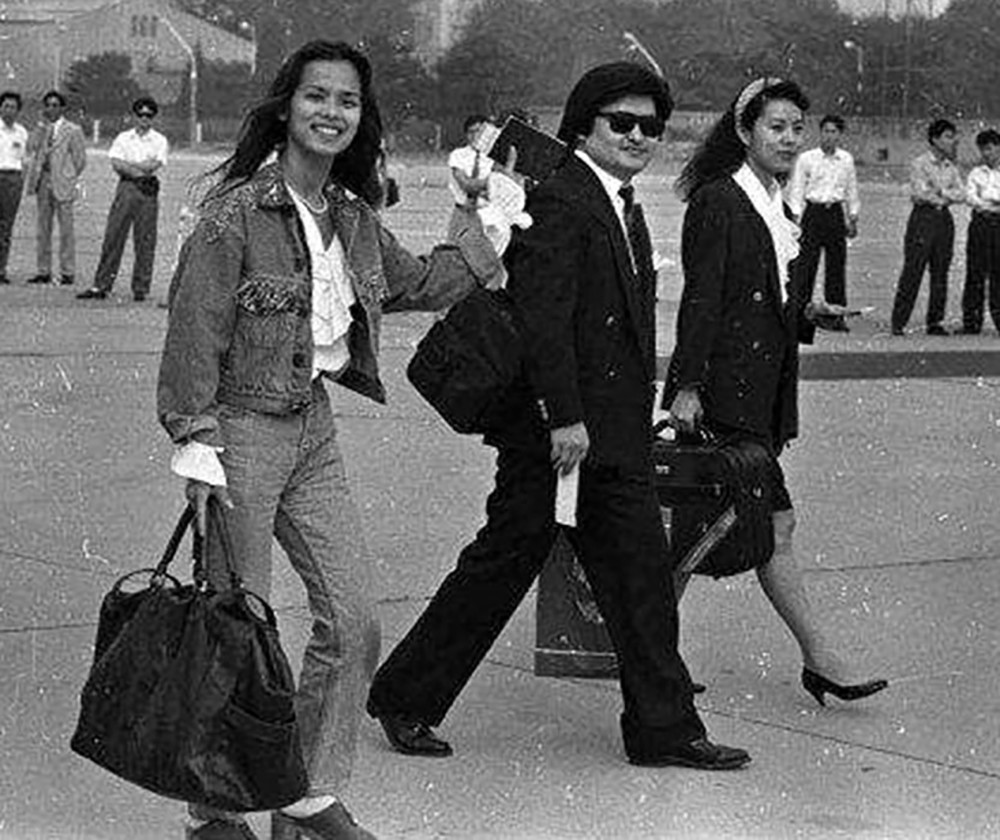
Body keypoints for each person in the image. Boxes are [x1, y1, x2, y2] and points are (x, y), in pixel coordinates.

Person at [157, 39, 506, 840]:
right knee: (238, 629)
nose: (331, 112)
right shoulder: (235, 214)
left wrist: (485, 225)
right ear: (287, 108)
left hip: (311, 427)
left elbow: (417, 282)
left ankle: (307, 796)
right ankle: (214, 810)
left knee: (353, 623)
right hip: (238, 427)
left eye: (347, 101)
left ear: (361, 117)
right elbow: (194, 327)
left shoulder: (350, 215)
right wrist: (196, 440)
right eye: (317, 96)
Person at [367, 62, 751, 772]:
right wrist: (563, 420)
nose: (638, 137)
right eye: (622, 123)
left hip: (611, 437)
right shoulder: (565, 201)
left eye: (651, 127)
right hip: (561, 440)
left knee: (640, 579)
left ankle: (663, 729)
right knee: (503, 565)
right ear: (583, 127)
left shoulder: (618, 202)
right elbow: (544, 323)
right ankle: (404, 697)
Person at [663, 77, 888, 708]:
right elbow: (703, 300)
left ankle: (651, 656)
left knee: (702, 532)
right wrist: (686, 386)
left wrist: (810, 312)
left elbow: (758, 297)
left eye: (796, 128)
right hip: (725, 396)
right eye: (775, 127)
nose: (789, 139)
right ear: (744, 131)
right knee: (764, 525)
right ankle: (819, 658)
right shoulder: (720, 199)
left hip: (759, 395)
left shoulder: (770, 199)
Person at [77, 96, 168, 302]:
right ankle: (102, 285)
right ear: (134, 116)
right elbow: (117, 164)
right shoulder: (123, 138)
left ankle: (141, 288)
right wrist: (138, 172)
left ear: (153, 118)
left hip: (147, 191)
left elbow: (153, 165)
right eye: (141, 115)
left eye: (149, 116)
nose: (144, 119)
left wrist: (131, 167)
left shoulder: (160, 140)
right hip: (127, 187)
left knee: (145, 239)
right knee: (114, 235)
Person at [890, 118, 965, 336]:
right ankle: (899, 322)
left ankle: (935, 323)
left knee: (940, 273)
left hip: (944, 220)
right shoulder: (920, 163)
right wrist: (944, 194)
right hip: (922, 218)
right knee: (913, 270)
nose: (952, 141)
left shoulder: (951, 167)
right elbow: (920, 192)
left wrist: (940, 191)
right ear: (935, 139)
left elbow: (962, 193)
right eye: (948, 137)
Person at [787, 114, 860, 332]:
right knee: (806, 267)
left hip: (835, 213)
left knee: (836, 267)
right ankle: (799, 317)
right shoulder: (807, 159)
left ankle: (835, 317)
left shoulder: (846, 159)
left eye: (834, 132)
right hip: (813, 213)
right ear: (820, 133)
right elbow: (797, 188)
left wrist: (853, 215)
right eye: (826, 131)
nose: (829, 136)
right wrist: (795, 218)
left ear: (840, 135)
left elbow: (851, 189)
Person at [24, 90, 86, 286]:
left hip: (63, 183)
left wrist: (67, 176)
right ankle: (43, 270)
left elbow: (80, 160)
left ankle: (68, 271)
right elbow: (31, 147)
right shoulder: (42, 128)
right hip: (43, 181)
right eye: (48, 105)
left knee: (66, 229)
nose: (51, 109)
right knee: (43, 228)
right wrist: (40, 127)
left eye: (55, 105)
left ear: (62, 108)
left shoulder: (73, 130)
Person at [959, 129, 1000, 335]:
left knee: (998, 274)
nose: (986, 153)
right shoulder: (976, 173)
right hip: (980, 224)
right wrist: (991, 201)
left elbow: (982, 197)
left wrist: (987, 198)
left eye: (990, 148)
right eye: (982, 149)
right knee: (975, 272)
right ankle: (971, 323)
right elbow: (970, 197)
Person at [446, 113, 493, 242]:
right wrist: (490, 183)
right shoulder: (458, 155)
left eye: (479, 132)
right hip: (462, 213)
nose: (475, 136)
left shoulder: (495, 159)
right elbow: (466, 185)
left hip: (487, 214)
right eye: (471, 132)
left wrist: (484, 185)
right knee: (454, 248)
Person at [0, 91, 28, 285]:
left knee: (6, 226)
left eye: (13, 107)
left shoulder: (22, 132)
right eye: (6, 106)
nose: (9, 110)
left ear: (18, 111)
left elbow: (23, 159)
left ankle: (1, 269)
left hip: (13, 180)